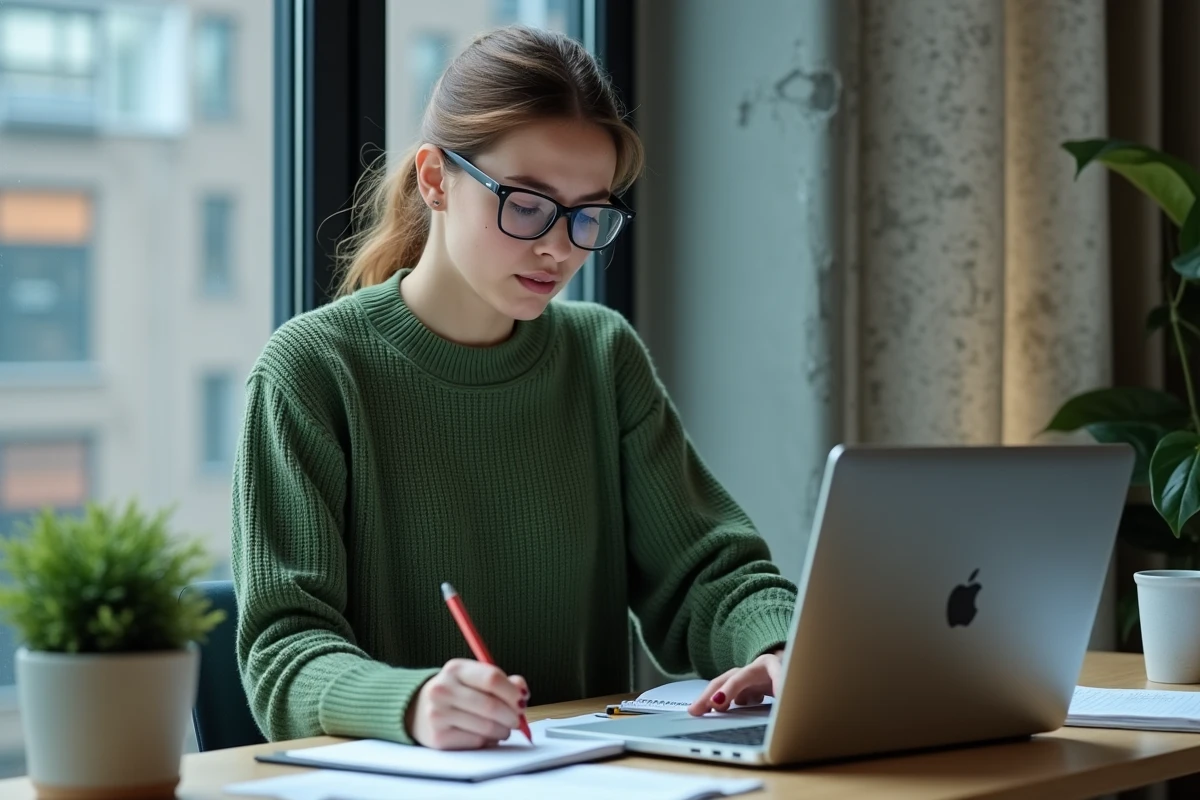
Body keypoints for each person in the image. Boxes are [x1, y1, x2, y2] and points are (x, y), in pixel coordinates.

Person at [232, 24, 797, 751]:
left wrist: (781, 651)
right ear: (435, 178)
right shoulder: (311, 370)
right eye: (527, 203)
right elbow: (283, 653)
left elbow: (707, 573)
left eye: (588, 212)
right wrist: (411, 705)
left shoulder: (602, 355)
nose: (559, 246)